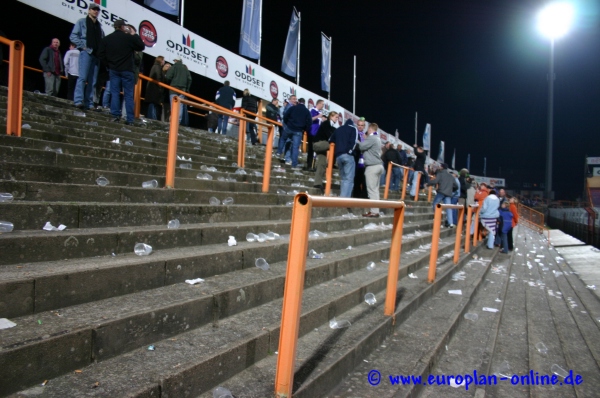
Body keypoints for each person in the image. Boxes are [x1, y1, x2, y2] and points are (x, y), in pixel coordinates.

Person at [98, 19, 145, 125]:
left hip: (114, 69)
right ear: (123, 27)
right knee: (128, 95)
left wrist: (108, 65)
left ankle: (115, 115)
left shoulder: (107, 39)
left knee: (114, 93)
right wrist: (134, 34)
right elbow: (141, 46)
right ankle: (130, 119)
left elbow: (101, 54)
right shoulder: (128, 38)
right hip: (127, 70)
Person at [70, 2, 104, 110]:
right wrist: (83, 46)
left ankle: (89, 102)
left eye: (97, 10)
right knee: (83, 77)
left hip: (96, 55)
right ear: (89, 10)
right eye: (93, 9)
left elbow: (102, 41)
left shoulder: (99, 26)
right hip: (87, 52)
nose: (96, 11)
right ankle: (78, 100)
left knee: (93, 81)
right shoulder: (82, 22)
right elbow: (73, 36)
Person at [359, 123, 384, 217]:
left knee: (372, 190)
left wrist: (363, 139)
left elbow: (362, 146)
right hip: (379, 166)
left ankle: (374, 211)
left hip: (372, 166)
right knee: (375, 190)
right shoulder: (378, 138)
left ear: (370, 129)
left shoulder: (371, 138)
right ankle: (375, 210)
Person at [279, 98, 312, 169]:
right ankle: (294, 163)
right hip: (298, 131)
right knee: (295, 147)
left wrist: (287, 124)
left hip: (289, 128)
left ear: (298, 102)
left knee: (283, 139)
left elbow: (285, 116)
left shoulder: (293, 108)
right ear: (304, 103)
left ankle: (279, 152)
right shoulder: (307, 111)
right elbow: (309, 122)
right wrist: (304, 129)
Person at [329, 119, 358, 197]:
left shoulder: (338, 129)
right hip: (348, 155)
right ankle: (344, 199)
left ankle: (342, 197)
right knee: (349, 179)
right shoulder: (353, 128)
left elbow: (331, 140)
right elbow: (354, 142)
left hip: (338, 156)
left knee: (343, 178)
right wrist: (350, 151)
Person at [313, 111, 338, 193]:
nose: (337, 119)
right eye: (336, 117)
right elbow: (330, 137)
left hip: (323, 146)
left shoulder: (333, 126)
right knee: (336, 145)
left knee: (322, 163)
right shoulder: (326, 123)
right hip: (318, 144)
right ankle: (335, 163)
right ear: (331, 116)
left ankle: (317, 183)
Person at [165, 58, 192, 123]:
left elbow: (168, 77)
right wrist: (187, 89)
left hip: (173, 89)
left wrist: (168, 81)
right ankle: (178, 122)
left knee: (173, 105)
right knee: (180, 106)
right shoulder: (185, 69)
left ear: (176, 61)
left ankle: (173, 122)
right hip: (182, 90)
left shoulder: (174, 67)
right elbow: (190, 79)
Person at [307, 99, 326, 171]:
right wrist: (318, 116)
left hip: (317, 134)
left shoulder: (319, 112)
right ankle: (309, 165)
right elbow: (310, 119)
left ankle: (313, 165)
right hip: (312, 132)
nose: (323, 106)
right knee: (311, 149)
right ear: (319, 104)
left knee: (315, 150)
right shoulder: (313, 110)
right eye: (322, 104)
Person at [145, 56, 165, 120]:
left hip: (153, 89)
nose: (164, 61)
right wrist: (160, 87)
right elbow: (158, 77)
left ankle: (151, 118)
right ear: (161, 60)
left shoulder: (156, 66)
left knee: (153, 104)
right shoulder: (157, 67)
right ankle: (152, 119)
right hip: (154, 89)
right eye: (163, 60)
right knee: (153, 104)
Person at [352, 118, 368, 199]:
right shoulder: (354, 133)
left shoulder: (366, 136)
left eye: (362, 125)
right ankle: (355, 195)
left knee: (363, 179)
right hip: (356, 158)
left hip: (364, 160)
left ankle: (363, 196)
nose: (360, 127)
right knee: (356, 179)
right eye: (359, 125)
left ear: (364, 126)